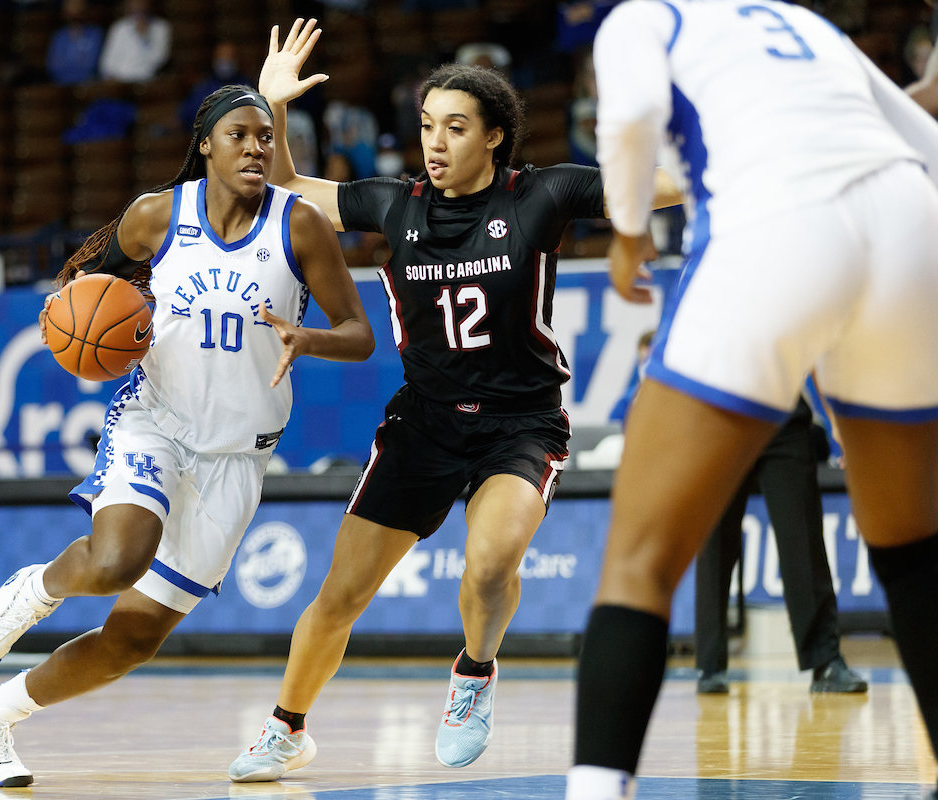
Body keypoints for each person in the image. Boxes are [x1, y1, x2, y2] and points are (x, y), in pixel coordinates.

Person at [228, 19, 680, 783]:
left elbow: (651, 185)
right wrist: (273, 108)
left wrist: (729, 154)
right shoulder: (395, 205)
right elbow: (287, 192)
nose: (434, 142)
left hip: (523, 423)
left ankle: (474, 672)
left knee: (492, 559)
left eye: (456, 128)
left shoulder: (542, 195)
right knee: (340, 594)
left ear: (495, 136)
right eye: (428, 125)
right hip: (424, 422)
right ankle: (287, 728)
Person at [0, 84, 374, 788]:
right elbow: (82, 281)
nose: (256, 147)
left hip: (237, 459)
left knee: (132, 640)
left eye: (265, 137)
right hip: (156, 422)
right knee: (117, 559)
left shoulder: (299, 227)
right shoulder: (156, 216)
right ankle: (35, 591)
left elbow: (360, 335)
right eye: (239, 134)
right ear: (205, 143)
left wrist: (312, 337)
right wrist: (83, 322)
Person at [567, 2, 938, 798]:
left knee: (638, 563)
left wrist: (628, 229)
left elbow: (628, 114)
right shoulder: (802, 22)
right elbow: (920, 134)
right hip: (911, 223)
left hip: (778, 225)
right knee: (913, 545)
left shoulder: (646, 17)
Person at [694, 395, 867, 695]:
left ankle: (825, 661)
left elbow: (815, 353)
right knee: (715, 542)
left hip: (782, 413)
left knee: (803, 538)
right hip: (719, 412)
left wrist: (835, 419)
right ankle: (710, 666)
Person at [178, 41, 252, 132]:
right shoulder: (204, 86)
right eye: (222, 57)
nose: (225, 61)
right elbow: (186, 116)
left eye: (229, 57)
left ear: (236, 59)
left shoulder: (247, 87)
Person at [98, 0, 170, 84]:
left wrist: (144, 37)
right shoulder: (119, 27)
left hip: (144, 83)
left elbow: (159, 60)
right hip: (117, 82)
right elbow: (107, 61)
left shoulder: (161, 28)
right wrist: (110, 78)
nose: (138, 5)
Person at [46, 0, 104, 86]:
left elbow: (91, 66)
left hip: (87, 86)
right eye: (70, 5)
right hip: (61, 85)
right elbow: (53, 66)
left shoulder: (95, 34)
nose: (73, 9)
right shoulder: (59, 35)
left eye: (77, 5)